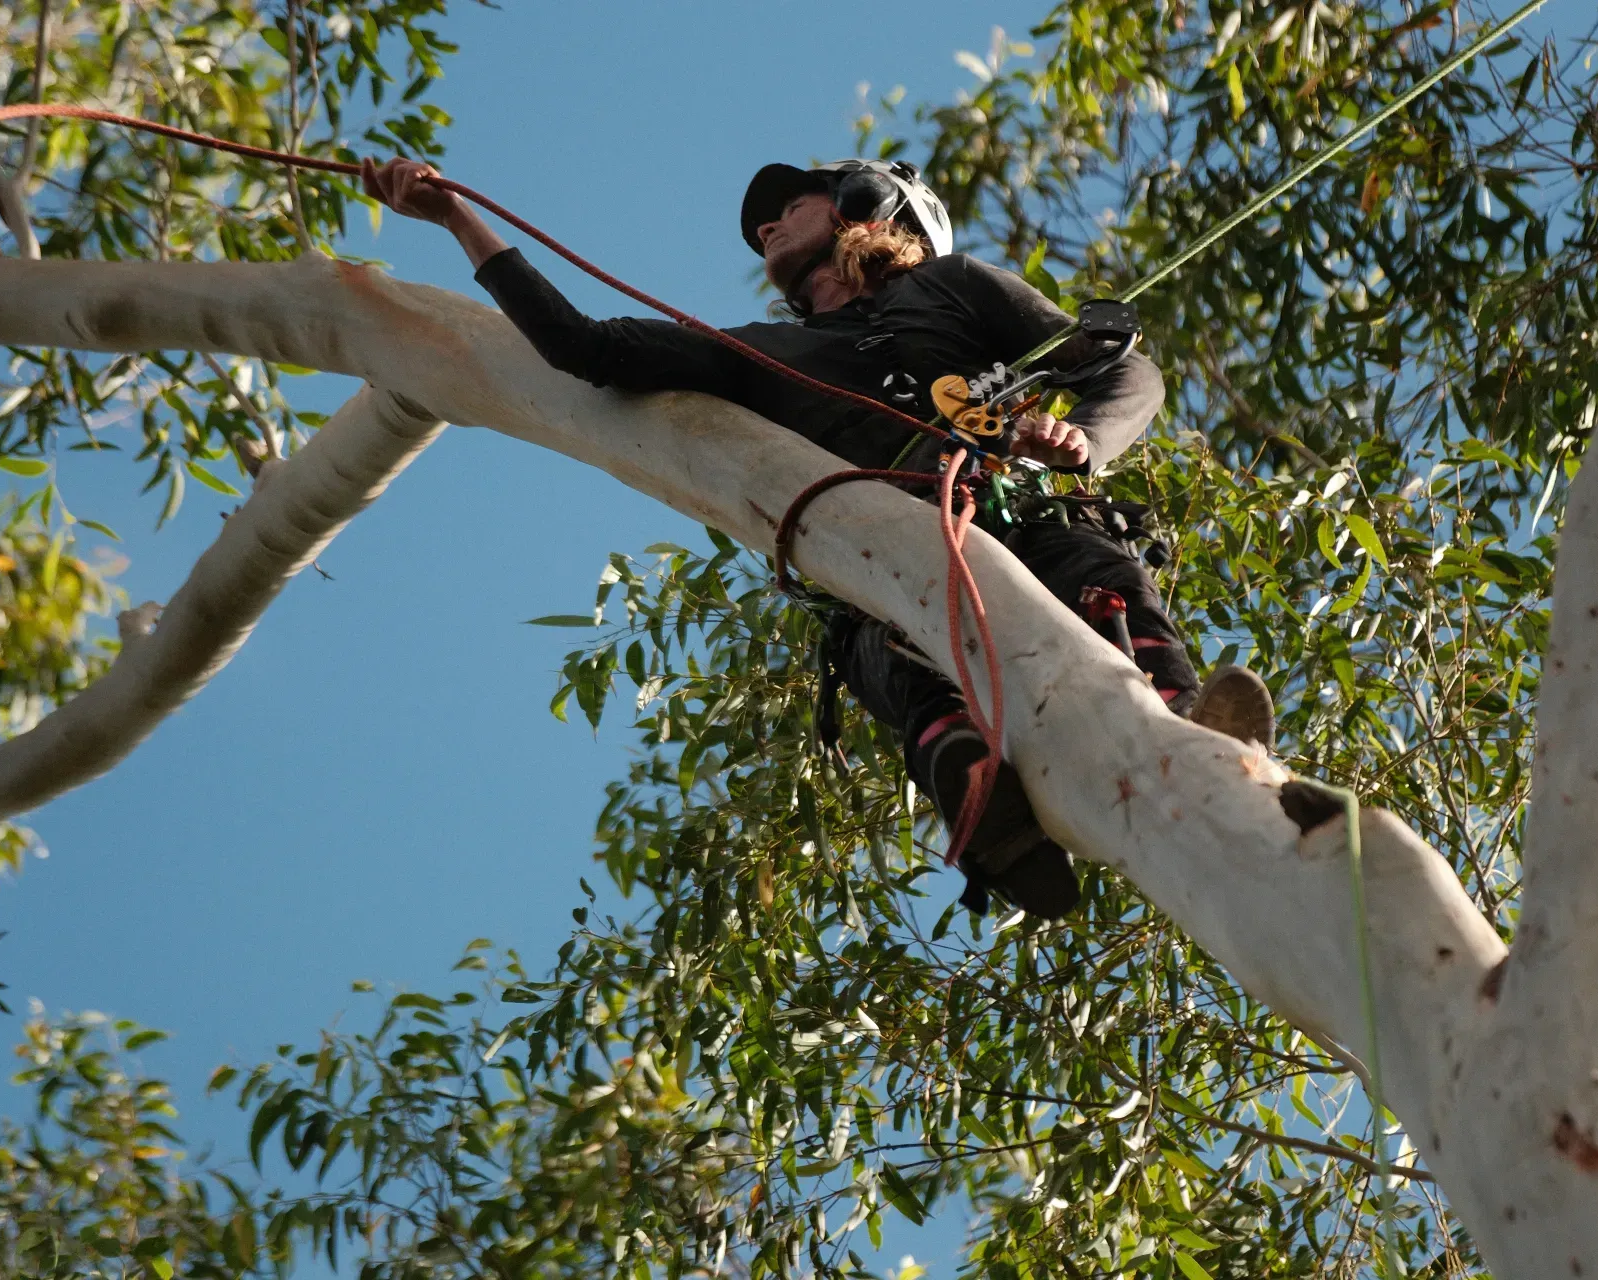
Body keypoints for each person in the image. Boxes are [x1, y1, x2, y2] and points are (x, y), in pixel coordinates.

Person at [363, 155, 1275, 919]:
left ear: (864, 208)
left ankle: (1193, 735)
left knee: (1095, 572)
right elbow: (581, 343)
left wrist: (1081, 442)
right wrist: (456, 220)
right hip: (886, 549)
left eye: (789, 205)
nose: (766, 228)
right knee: (889, 637)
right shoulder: (756, 353)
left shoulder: (950, 288)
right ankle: (974, 786)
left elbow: (1125, 370)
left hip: (1021, 503)